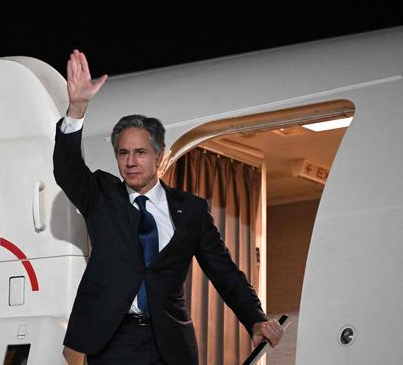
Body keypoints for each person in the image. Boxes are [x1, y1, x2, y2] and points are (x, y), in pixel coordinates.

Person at [54, 49, 283, 365]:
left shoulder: (190, 211)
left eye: (140, 153)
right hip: (111, 342)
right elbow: (67, 169)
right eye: (123, 153)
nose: (131, 162)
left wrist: (255, 318)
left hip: (170, 344)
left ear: (159, 156)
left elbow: (224, 272)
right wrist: (76, 108)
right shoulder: (102, 196)